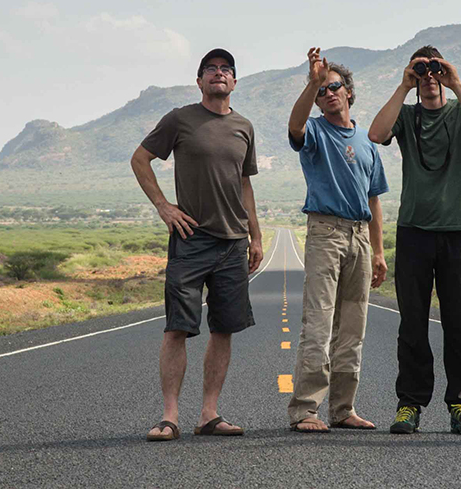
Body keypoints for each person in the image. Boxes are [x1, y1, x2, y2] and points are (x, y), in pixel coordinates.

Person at [131, 48, 263, 442]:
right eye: (211, 69)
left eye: (226, 69)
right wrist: (163, 206)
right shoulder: (180, 119)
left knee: (223, 328)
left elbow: (244, 183)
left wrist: (255, 235)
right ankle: (169, 417)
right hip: (190, 240)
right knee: (178, 328)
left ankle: (209, 414)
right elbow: (140, 158)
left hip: (233, 243)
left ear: (234, 82)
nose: (218, 74)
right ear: (200, 81)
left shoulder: (244, 126)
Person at [368, 45, 461, 435]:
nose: (429, 75)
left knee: (459, 323)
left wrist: (455, 83)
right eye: (422, 70)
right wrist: (404, 86)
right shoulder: (407, 116)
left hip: (457, 231)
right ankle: (409, 404)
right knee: (412, 324)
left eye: (434, 69)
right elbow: (376, 133)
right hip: (413, 231)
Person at [286, 48, 389, 433]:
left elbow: (373, 198)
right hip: (325, 233)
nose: (328, 94)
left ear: (348, 92)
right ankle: (305, 410)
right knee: (319, 322)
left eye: (333, 87)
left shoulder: (367, 141)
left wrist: (379, 251)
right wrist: (310, 81)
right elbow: (295, 126)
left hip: (360, 236)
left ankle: (343, 409)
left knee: (353, 325)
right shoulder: (314, 131)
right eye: (321, 91)